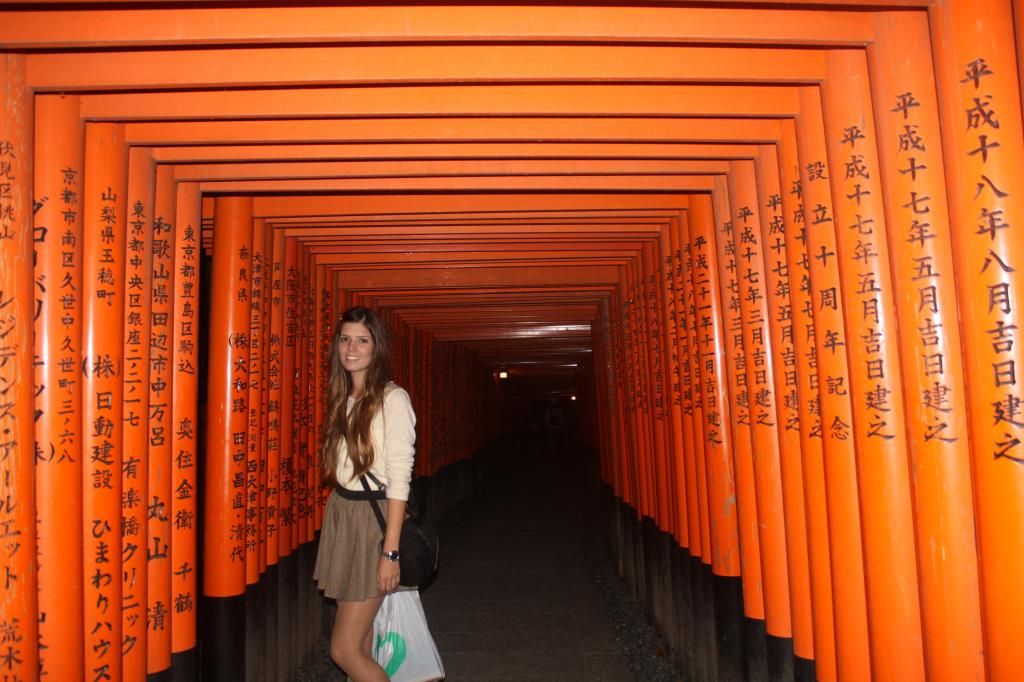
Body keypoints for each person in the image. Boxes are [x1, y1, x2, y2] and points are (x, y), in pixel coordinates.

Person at [314, 306, 417, 681]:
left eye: (362, 340)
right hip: (344, 513)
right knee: (362, 642)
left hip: (372, 525)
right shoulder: (343, 396)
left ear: (377, 348)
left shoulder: (393, 400)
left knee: (343, 649)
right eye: (345, 339)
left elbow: (399, 479)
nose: (351, 348)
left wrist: (390, 552)